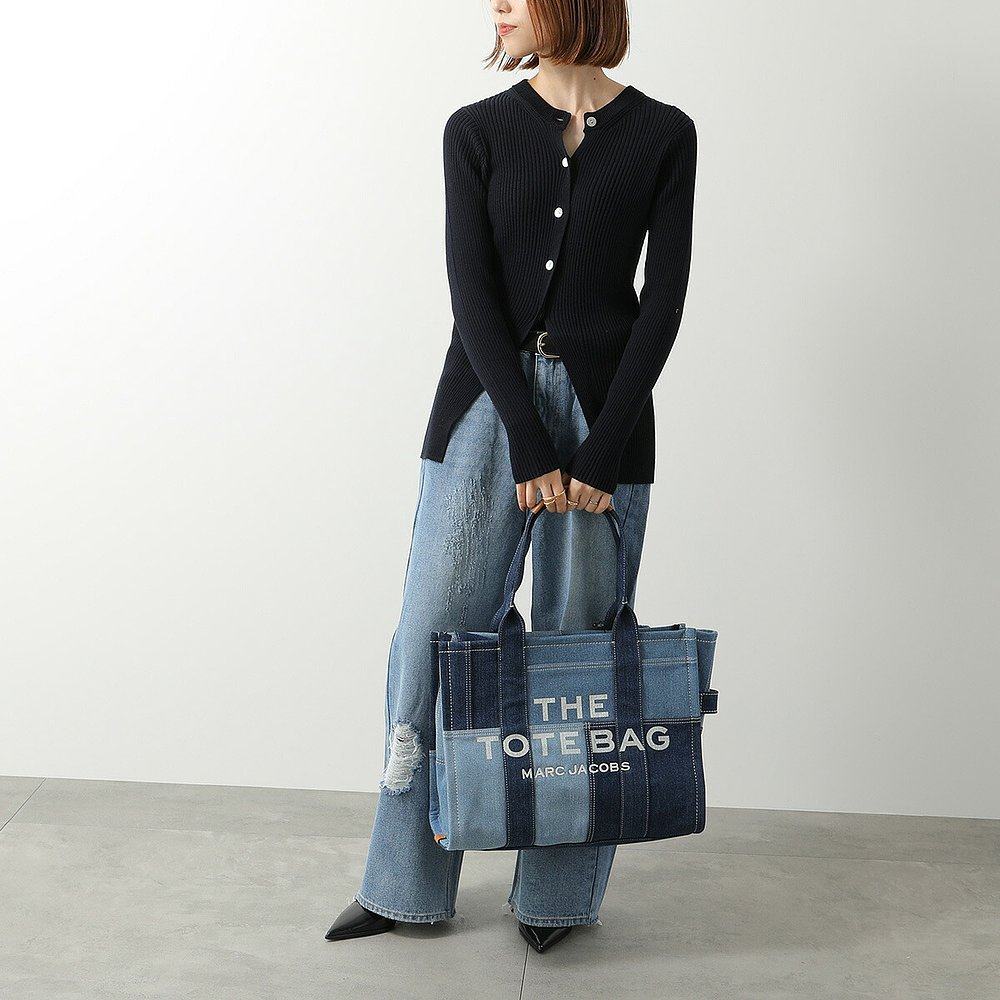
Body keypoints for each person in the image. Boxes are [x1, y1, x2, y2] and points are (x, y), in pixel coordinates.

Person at [326, 0, 697, 954]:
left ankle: (556, 899)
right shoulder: (476, 130)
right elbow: (473, 291)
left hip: (609, 420)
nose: (496, 6)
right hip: (487, 410)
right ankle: (403, 883)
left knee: (580, 660)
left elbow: (662, 301)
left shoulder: (665, 134)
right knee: (432, 639)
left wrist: (601, 451)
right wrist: (530, 442)